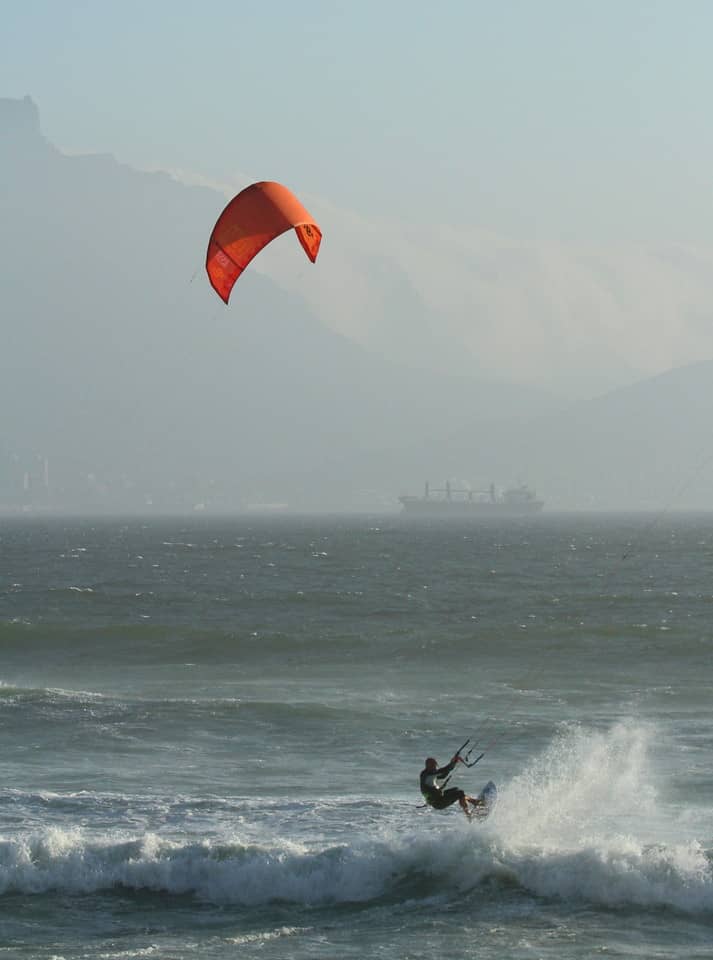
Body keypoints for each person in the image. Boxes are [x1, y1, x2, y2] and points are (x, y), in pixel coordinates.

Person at [419, 755, 484, 819]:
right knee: (459, 793)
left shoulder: (430, 773)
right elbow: (443, 770)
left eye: (435, 765)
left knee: (457, 790)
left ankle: (474, 802)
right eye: (433, 765)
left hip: (439, 798)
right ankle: (468, 814)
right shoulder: (426, 774)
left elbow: (443, 775)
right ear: (428, 765)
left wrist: (453, 763)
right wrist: (453, 762)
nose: (435, 766)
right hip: (438, 802)